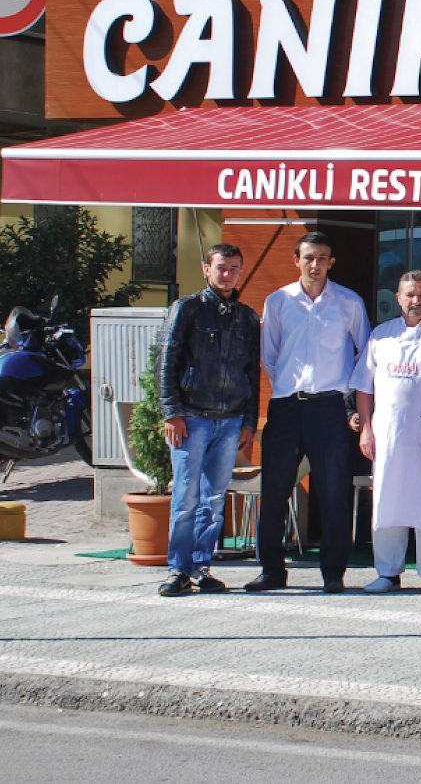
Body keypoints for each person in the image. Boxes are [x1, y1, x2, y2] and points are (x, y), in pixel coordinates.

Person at [250, 231, 370, 593]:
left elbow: (365, 353)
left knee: (333, 491)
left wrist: (349, 401)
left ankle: (333, 572)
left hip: (330, 408)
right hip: (287, 406)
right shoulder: (278, 301)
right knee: (274, 490)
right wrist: (289, 387)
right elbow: (270, 354)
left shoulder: (348, 302)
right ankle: (271, 569)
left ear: (331, 262)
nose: (314, 265)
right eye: (308, 257)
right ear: (296, 260)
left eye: (321, 258)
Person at [155, 243, 261, 597]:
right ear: (206, 269)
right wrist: (171, 412)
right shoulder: (187, 309)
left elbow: (252, 372)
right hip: (192, 417)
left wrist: (248, 421)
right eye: (221, 268)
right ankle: (177, 570)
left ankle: (201, 567)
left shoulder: (246, 317)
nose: (227, 274)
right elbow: (166, 360)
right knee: (186, 497)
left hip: (230, 421)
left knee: (214, 500)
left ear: (241, 272)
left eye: (234, 268)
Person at [352, 270, 421, 596]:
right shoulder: (381, 335)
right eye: (410, 295)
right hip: (387, 434)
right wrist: (366, 428)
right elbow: (364, 387)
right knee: (387, 501)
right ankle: (387, 573)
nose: (416, 301)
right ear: (398, 298)